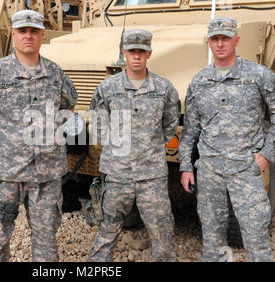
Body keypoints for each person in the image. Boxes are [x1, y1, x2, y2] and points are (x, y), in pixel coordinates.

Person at [0, 9, 78, 262]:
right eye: (22, 31)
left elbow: (68, 106)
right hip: (6, 174)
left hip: (47, 174)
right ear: (13, 34)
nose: (28, 36)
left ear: (42, 35)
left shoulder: (56, 74)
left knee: (46, 241)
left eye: (33, 31)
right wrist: (2, 136)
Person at [179, 17, 275, 262]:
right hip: (209, 172)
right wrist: (186, 167)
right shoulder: (199, 81)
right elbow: (190, 130)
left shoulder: (259, 76)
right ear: (209, 42)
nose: (220, 44)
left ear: (236, 40)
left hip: (245, 170)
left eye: (225, 38)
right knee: (212, 240)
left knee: (256, 237)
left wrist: (266, 154)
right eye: (215, 39)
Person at [88, 29, 180, 262]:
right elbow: (99, 125)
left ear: (149, 53)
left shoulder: (164, 88)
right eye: (131, 51)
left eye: (141, 51)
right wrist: (117, 148)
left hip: (152, 175)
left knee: (162, 229)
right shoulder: (107, 88)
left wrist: (148, 146)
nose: (136, 56)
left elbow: (170, 124)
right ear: (124, 53)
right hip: (117, 173)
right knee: (108, 228)